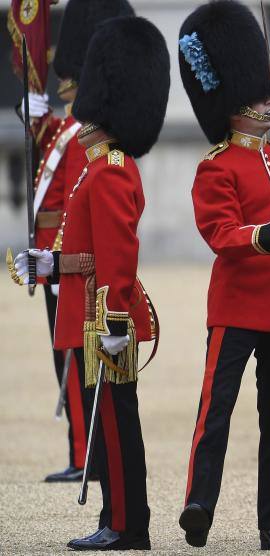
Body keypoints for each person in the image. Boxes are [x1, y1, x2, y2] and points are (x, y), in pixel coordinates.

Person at [14, 14, 169, 550]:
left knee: (117, 426)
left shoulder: (108, 169)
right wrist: (50, 265)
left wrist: (115, 320)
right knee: (109, 426)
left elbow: (117, 256)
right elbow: (86, 252)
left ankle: (128, 526)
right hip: (91, 311)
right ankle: (118, 518)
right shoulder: (97, 164)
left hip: (104, 318)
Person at [176, 1, 270, 551]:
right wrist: (264, 236)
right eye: (258, 94)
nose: (267, 101)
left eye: (267, 91)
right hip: (238, 306)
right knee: (216, 414)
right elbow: (219, 232)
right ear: (235, 103)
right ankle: (199, 503)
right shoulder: (216, 165)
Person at [12, 0, 134, 484]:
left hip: (66, 261)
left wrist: (60, 261)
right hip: (53, 259)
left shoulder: (82, 134)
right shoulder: (64, 129)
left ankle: (86, 453)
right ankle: (81, 449)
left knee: (77, 356)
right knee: (65, 353)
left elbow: (75, 202)